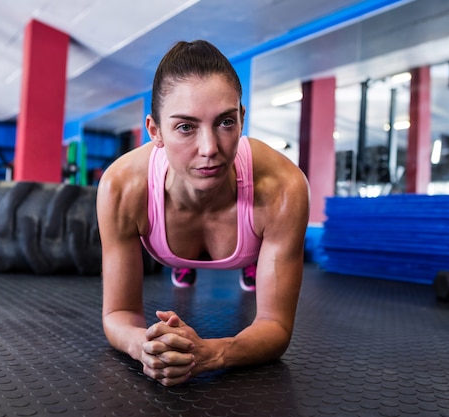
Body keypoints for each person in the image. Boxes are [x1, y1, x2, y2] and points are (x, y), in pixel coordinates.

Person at [96, 40, 310, 387]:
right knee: (181, 253)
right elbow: (118, 314)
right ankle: (183, 260)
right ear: (155, 131)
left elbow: (276, 326)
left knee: (259, 256)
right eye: (185, 127)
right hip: (166, 230)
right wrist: (145, 346)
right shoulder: (121, 187)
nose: (210, 149)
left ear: (242, 118)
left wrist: (211, 353)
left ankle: (254, 258)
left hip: (248, 235)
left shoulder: (283, 187)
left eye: (225, 122)